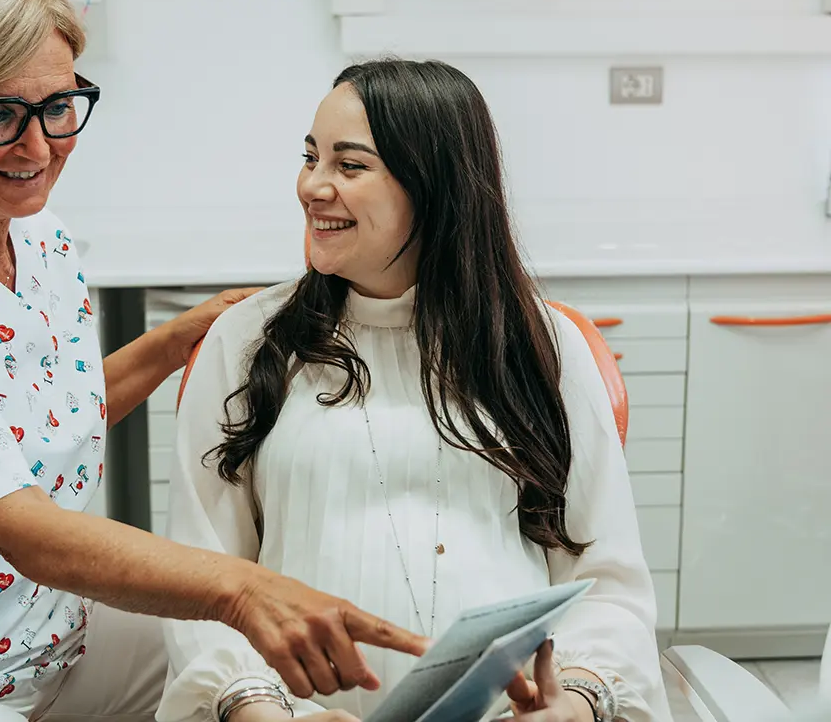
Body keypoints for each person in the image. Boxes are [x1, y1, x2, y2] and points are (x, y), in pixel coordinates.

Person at [0, 0, 426, 722]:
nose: (39, 148)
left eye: (58, 106)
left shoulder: (37, 239)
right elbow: (18, 523)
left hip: (53, 635)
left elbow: (41, 423)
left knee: (264, 692)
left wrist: (183, 337)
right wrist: (241, 586)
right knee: (237, 639)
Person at [160, 59, 674, 722]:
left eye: (349, 166)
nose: (313, 186)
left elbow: (607, 583)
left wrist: (571, 701)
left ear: (434, 188)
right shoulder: (250, 341)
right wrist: (255, 709)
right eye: (311, 157)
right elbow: (203, 576)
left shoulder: (540, 346)